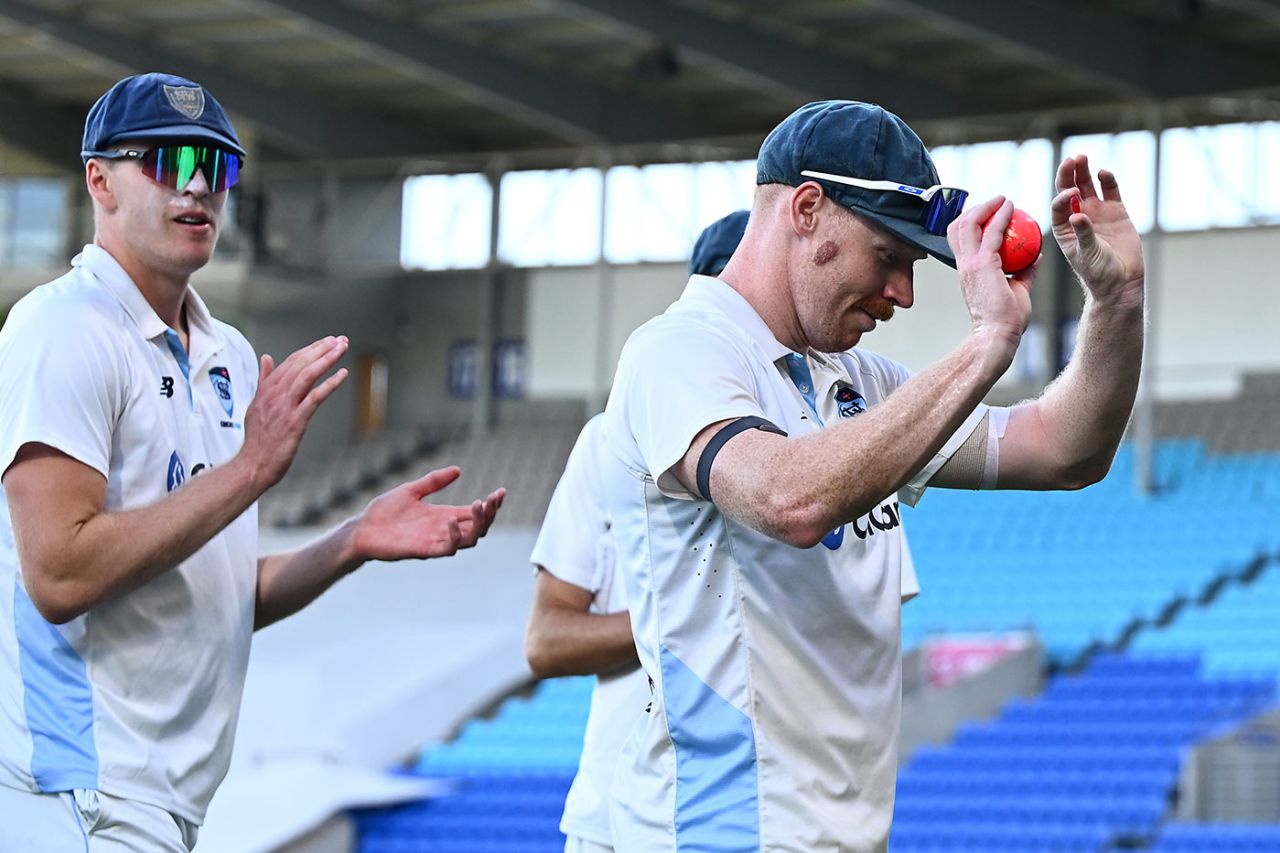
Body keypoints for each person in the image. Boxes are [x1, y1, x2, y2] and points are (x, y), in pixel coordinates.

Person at [601, 100, 1144, 851]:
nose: (904, 292)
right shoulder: (680, 352)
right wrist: (988, 339)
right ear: (807, 208)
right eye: (889, 255)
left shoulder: (860, 381)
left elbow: (1064, 451)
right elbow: (789, 498)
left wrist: (1116, 305)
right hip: (722, 834)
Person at [0, 72, 505, 851]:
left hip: (162, 798)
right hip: (76, 790)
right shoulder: (62, 330)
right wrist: (249, 468)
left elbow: (222, 592)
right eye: (168, 163)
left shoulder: (228, 353)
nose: (199, 187)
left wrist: (352, 541)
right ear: (98, 179)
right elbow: (59, 575)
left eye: (218, 167)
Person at [525, 208, 922, 853]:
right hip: (632, 811)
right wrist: (678, 624)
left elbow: (854, 614)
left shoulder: (832, 433)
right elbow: (545, 640)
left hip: (785, 812)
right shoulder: (610, 441)